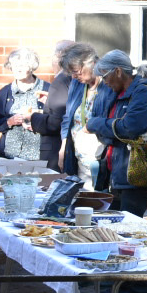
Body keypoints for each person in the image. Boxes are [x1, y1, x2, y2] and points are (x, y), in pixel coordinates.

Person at [84, 51, 147, 293]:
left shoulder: (142, 91)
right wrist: (108, 126)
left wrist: (101, 124)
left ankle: (139, 291)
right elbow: (108, 129)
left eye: (105, 76)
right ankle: (116, 284)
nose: (103, 81)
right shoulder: (115, 91)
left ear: (118, 71)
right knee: (114, 232)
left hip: (136, 172)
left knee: (132, 233)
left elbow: (131, 127)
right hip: (115, 170)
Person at [0, 48, 49, 161]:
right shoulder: (5, 92)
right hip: (9, 155)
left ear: (32, 67)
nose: (18, 69)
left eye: (22, 66)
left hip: (38, 156)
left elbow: (56, 121)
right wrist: (9, 122)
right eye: (14, 66)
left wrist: (36, 121)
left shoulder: (47, 89)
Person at [59, 44, 102, 187]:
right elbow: (68, 117)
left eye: (77, 71)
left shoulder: (108, 86)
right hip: (78, 157)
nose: (74, 76)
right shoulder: (77, 84)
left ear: (92, 64)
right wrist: (63, 147)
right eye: (71, 73)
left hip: (99, 157)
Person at [28, 40, 76, 169]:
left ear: (58, 57)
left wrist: (32, 117)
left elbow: (55, 123)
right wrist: (49, 101)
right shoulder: (73, 78)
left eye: (52, 57)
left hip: (56, 149)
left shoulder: (62, 80)